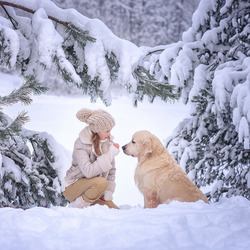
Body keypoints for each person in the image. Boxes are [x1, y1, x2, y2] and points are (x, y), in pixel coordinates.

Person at [62, 108, 120, 209]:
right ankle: (77, 206)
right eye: (107, 131)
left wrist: (108, 191)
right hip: (72, 187)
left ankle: (88, 201)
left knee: (114, 210)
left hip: (94, 188)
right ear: (97, 130)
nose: (109, 134)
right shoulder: (81, 144)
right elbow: (88, 171)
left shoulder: (107, 143)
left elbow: (111, 170)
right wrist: (110, 154)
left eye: (110, 130)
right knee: (101, 182)